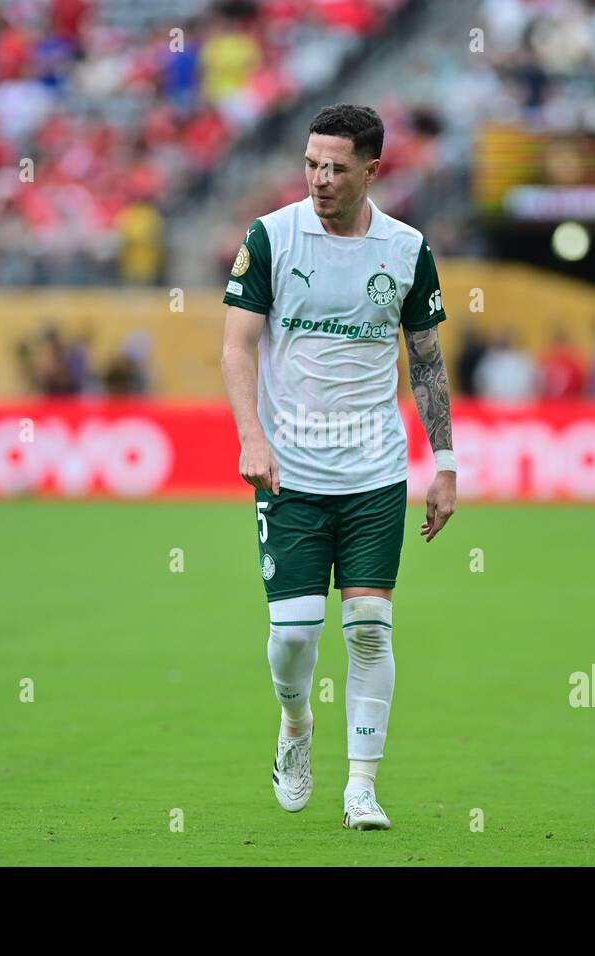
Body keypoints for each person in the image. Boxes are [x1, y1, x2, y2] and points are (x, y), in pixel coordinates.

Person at [220, 103, 456, 831]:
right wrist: (251, 438)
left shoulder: (407, 249)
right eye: (311, 165)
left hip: (374, 471)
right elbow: (237, 347)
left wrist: (444, 462)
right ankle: (295, 727)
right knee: (294, 637)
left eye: (336, 168)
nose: (320, 179)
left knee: (368, 629)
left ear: (372, 171)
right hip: (289, 471)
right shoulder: (271, 237)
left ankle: (361, 785)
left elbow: (425, 361)